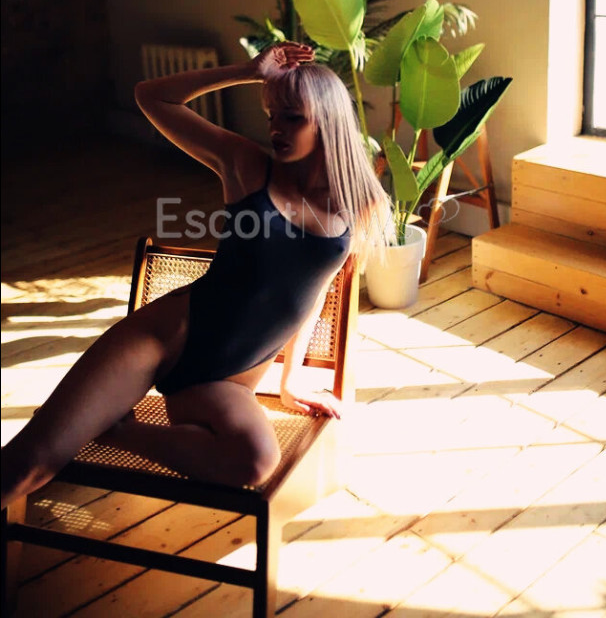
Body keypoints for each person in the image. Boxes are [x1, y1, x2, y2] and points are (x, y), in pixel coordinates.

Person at [1, 42, 389, 509]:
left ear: (327, 120)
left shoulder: (361, 202)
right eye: (272, 115)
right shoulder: (247, 165)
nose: (276, 128)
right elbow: (151, 96)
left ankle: (115, 430)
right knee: (29, 465)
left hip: (223, 383)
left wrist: (291, 381)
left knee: (254, 460)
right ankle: (78, 431)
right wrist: (250, 70)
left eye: (292, 117)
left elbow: (315, 288)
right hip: (163, 339)